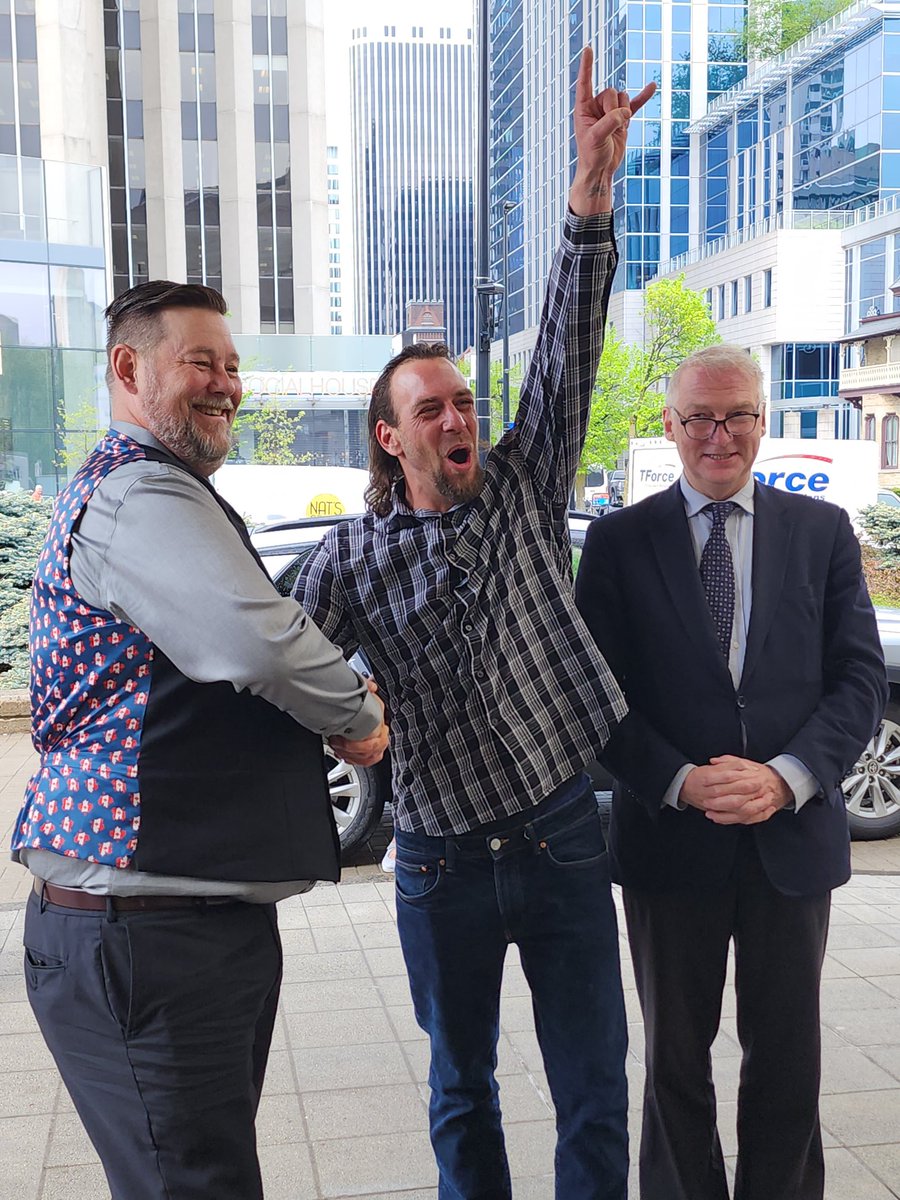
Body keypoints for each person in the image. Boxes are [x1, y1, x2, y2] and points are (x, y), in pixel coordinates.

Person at [294, 49, 655, 1200]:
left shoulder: (520, 481)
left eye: (462, 401)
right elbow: (264, 654)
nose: (459, 416)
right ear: (390, 439)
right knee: (461, 1087)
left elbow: (568, 349)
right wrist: (343, 720)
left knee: (596, 1082)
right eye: (430, 408)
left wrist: (587, 198)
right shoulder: (345, 559)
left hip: (561, 836)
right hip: (441, 861)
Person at [12, 280, 389, 1200]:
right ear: (128, 368)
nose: (227, 385)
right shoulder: (141, 492)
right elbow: (254, 636)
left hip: (170, 930)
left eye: (232, 365)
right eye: (201, 362)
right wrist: (359, 714)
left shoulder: (141, 486)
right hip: (149, 943)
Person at [575, 344, 888, 1200]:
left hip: (792, 839)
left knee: (787, 1055)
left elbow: (859, 678)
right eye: (701, 418)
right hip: (670, 840)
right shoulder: (616, 541)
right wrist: (677, 778)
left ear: (763, 419)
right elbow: (592, 696)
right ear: (671, 427)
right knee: (674, 1058)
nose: (722, 435)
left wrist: (789, 775)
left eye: (740, 415)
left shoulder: (821, 533)